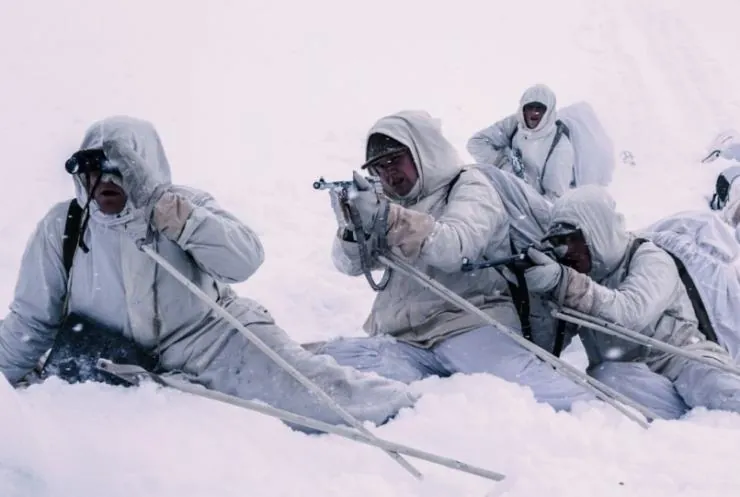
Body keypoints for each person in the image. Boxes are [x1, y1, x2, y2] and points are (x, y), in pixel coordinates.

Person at [0, 115, 416, 429]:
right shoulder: (64, 226)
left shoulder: (182, 204)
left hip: (210, 340)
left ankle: (414, 411)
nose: (104, 180)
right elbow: (30, 321)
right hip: (114, 357)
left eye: (120, 170)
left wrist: (168, 211)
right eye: (95, 170)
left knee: (318, 398)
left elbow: (245, 260)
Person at [316, 109, 595, 411]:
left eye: (395, 160)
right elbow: (350, 265)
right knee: (322, 371)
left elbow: (457, 248)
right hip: (405, 339)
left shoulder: (470, 185)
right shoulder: (392, 203)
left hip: (469, 326)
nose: (388, 173)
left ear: (422, 150)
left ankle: (609, 424)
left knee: (557, 401)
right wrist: (352, 227)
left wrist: (391, 218)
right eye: (379, 167)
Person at [520, 185, 740, 419]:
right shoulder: (579, 279)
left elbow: (632, 313)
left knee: (715, 388)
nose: (567, 250)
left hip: (684, 360)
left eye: (573, 238)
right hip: (630, 376)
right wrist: (540, 297)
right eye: (559, 242)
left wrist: (568, 284)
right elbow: (545, 346)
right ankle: (688, 432)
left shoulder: (650, 257)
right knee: (606, 378)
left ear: (598, 231)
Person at [466, 84, 575, 200]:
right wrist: (505, 165)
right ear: (523, 109)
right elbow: (476, 143)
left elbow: (554, 200)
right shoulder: (515, 124)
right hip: (500, 190)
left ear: (549, 112)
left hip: (526, 205)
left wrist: (523, 190)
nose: (534, 112)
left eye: (540, 108)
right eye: (530, 107)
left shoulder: (560, 148)